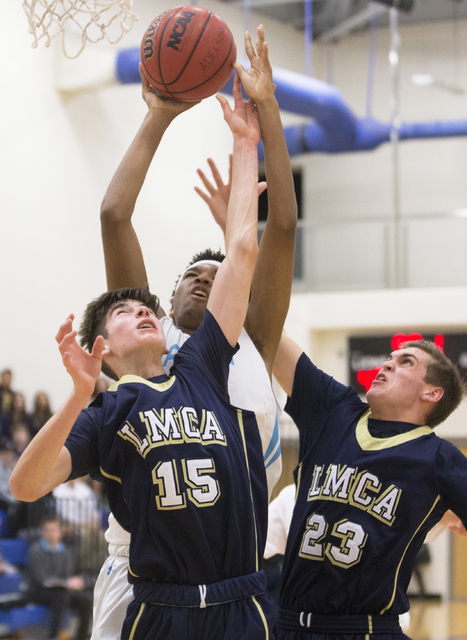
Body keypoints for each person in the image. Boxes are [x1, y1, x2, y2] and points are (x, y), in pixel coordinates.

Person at [10, 68, 285, 640]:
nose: (141, 311)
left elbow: (243, 251)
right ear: (103, 348)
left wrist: (244, 143)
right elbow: (25, 487)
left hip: (238, 589)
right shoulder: (108, 412)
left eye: (143, 309)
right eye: (125, 312)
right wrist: (80, 396)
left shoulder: (206, 362)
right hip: (153, 587)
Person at [93, 24, 296, 640]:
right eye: (191, 275)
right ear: (163, 296)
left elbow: (281, 225)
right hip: (144, 573)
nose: (205, 281)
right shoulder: (147, 347)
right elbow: (113, 215)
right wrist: (160, 113)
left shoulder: (250, 341)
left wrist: (266, 109)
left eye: (218, 273)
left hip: (237, 572)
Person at [271, 334, 466, 639]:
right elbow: (269, 336)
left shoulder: (439, 459)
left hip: (365, 630)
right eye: (389, 357)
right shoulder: (333, 410)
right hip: (289, 627)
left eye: (405, 362)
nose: (387, 363)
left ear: (432, 392)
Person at [24, 516, 93, 640]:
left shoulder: (66, 551)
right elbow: (41, 579)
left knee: (86, 599)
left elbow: (67, 575)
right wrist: (66, 583)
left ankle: (81, 637)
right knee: (61, 595)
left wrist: (74, 582)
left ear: (60, 532)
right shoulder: (35, 549)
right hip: (38, 591)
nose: (49, 533)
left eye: (53, 530)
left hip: (60, 590)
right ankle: (53, 636)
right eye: (46, 530)